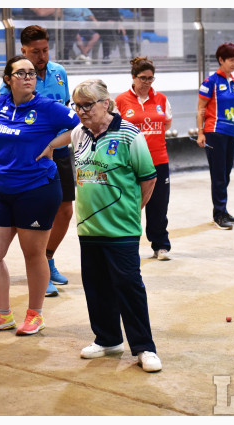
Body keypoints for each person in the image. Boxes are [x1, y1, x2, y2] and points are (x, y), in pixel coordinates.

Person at [0, 56, 80, 335]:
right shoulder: (1, 104)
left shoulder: (47, 107)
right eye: (21, 73)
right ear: (8, 79)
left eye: (32, 73)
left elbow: (81, 125)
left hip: (37, 188)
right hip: (3, 188)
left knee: (33, 254)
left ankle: (35, 314)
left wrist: (54, 143)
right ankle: (2, 314)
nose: (29, 77)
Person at [71, 79, 162, 372]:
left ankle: (144, 347)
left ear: (105, 104)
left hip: (122, 229)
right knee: (96, 286)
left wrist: (134, 211)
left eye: (88, 105)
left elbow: (148, 178)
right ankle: (107, 339)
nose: (82, 111)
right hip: (88, 227)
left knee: (128, 286)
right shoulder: (77, 134)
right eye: (77, 106)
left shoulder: (129, 134)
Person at [0, 25, 74, 298]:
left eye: (45, 50)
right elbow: (1, 115)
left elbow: (68, 111)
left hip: (60, 153)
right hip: (31, 161)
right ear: (23, 51)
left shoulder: (59, 73)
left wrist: (54, 143)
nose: (41, 56)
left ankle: (49, 258)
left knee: (65, 211)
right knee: (32, 219)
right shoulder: (18, 77)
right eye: (35, 52)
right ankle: (39, 264)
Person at [116, 57, 172, 261]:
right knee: (131, 204)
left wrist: (150, 137)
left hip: (158, 160)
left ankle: (161, 246)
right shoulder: (121, 101)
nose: (147, 82)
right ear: (133, 77)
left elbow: (165, 124)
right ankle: (126, 244)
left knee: (159, 205)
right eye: (143, 78)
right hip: (130, 162)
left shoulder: (162, 99)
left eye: (151, 78)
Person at [197, 42, 234, 230]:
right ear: (221, 60)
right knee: (218, 174)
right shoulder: (211, 81)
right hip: (215, 132)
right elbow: (200, 108)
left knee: (226, 173)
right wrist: (200, 132)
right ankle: (218, 214)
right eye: (231, 60)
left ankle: (223, 210)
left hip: (231, 131)